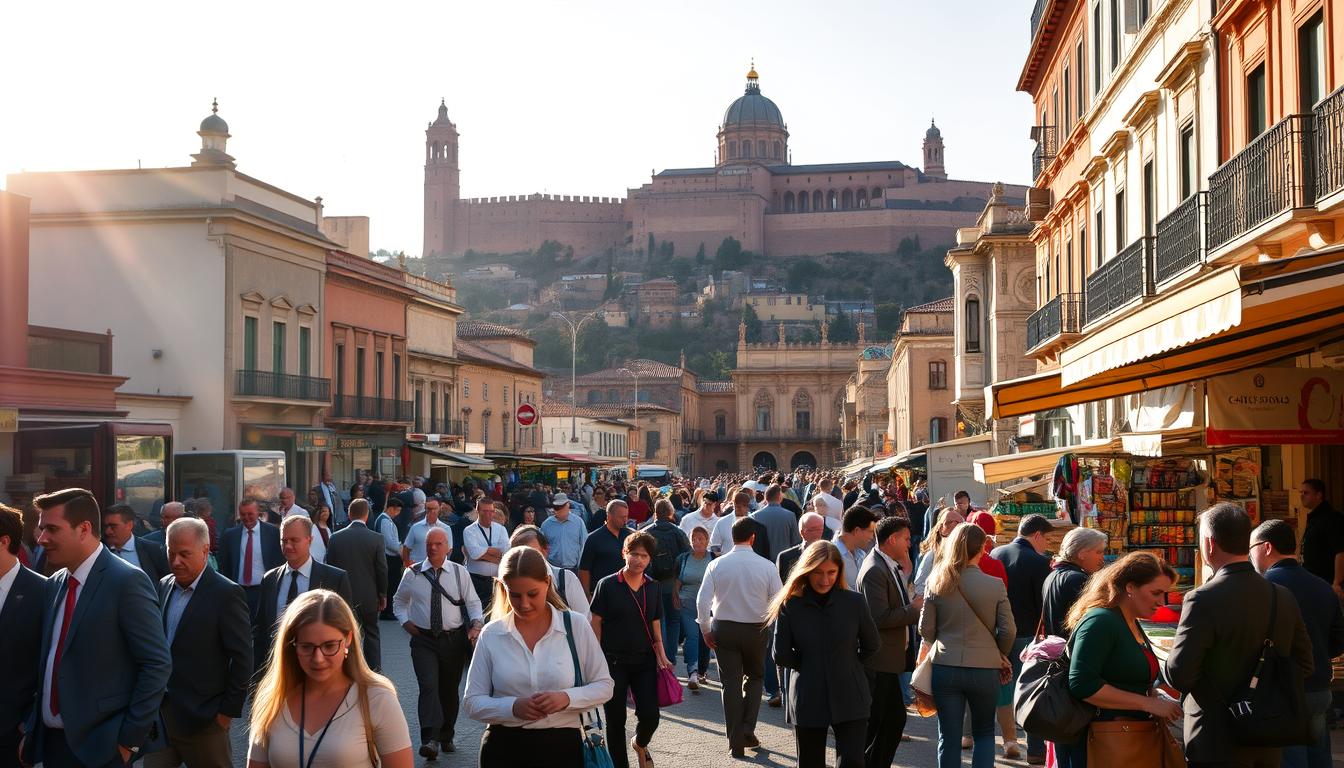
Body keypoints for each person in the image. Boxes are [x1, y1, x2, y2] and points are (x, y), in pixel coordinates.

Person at [21, 488, 171, 768]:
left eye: (52, 529)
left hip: (102, 748)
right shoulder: (54, 582)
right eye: (41, 529)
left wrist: (128, 741)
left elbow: (156, 664)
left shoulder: (126, 581)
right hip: (53, 745)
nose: (41, 539)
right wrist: (32, 727)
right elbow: (50, 660)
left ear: (84, 529)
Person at [1166, 503, 1314, 768]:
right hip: (1266, 734)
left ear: (1210, 544)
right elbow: (1304, 664)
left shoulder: (1202, 598)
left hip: (1215, 734)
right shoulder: (1281, 596)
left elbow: (1180, 673)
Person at [463, 546, 615, 767]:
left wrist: (566, 698)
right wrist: (512, 707)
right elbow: (472, 702)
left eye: (532, 594)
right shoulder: (492, 633)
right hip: (503, 748)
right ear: (503, 589)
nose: (524, 604)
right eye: (514, 595)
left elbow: (604, 685)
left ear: (547, 582)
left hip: (562, 748)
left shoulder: (575, 625)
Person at [245, 590, 413, 768]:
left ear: (348, 639)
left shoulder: (377, 698)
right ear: (292, 646)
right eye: (307, 647)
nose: (318, 658)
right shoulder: (272, 698)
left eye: (329, 646)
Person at [1057, 551, 1183, 768]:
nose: (1161, 602)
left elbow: (1124, 677)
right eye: (1156, 593)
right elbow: (1082, 684)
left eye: (1165, 594)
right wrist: (1147, 703)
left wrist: (1156, 695)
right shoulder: (1101, 621)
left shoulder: (1128, 621)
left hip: (1125, 738)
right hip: (1103, 739)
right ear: (1130, 587)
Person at [147, 518, 252, 768]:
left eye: (184, 554)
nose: (175, 561)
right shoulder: (165, 585)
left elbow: (242, 658)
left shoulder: (226, 594)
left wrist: (226, 713)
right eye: (171, 553)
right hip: (162, 715)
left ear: (205, 551)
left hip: (204, 720)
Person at [770, 540, 879, 768]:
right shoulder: (790, 604)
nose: (824, 579)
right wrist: (810, 664)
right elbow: (780, 653)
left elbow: (872, 645)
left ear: (839, 571)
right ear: (806, 570)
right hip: (808, 693)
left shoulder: (855, 602)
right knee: (810, 762)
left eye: (831, 572)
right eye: (818, 572)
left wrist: (850, 665)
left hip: (851, 693)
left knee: (852, 761)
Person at [918, 522, 1014, 768]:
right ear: (982, 549)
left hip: (945, 665)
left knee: (948, 737)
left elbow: (925, 629)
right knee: (983, 733)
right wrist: (999, 652)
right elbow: (1008, 630)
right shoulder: (994, 585)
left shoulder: (936, 582)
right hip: (984, 667)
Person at [1249, 519, 1344, 768]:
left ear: (1266, 547)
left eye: (1251, 548)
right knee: (1319, 758)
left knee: (1291, 761)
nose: (1249, 556)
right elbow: (1338, 641)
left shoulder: (1263, 587)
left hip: (1281, 691)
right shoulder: (1324, 587)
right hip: (1319, 689)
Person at [697, 517, 784, 759]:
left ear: (731, 537)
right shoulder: (766, 565)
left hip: (724, 626)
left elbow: (702, 601)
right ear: (753, 538)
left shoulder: (717, 564)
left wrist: (705, 628)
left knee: (730, 683)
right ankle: (747, 728)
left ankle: (735, 739)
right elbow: (778, 601)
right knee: (755, 677)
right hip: (756, 627)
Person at [393, 527, 483, 758]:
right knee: (429, 686)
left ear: (448, 549)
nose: (432, 548)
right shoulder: (412, 573)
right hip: (423, 640)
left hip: (453, 640)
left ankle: (446, 734)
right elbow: (399, 602)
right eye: (429, 544)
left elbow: (473, 602)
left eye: (438, 544)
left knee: (448, 690)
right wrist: (405, 623)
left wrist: (476, 624)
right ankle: (430, 739)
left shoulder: (458, 573)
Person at [589, 531, 672, 768]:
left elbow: (655, 621)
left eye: (644, 556)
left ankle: (639, 742)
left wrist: (662, 654)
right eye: (634, 554)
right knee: (615, 720)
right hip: (612, 662)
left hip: (644, 661)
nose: (638, 560)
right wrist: (595, 657)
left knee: (650, 716)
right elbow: (596, 622)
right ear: (624, 553)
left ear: (649, 560)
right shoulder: (607, 584)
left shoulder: (653, 587)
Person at [857, 516, 922, 767]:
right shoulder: (875, 569)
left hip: (888, 661)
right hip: (878, 661)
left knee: (893, 720)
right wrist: (915, 608)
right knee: (879, 723)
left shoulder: (886, 564)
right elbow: (879, 617)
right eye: (906, 539)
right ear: (892, 539)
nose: (909, 544)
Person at [253, 516, 355, 676]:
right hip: (278, 672)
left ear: (309, 540)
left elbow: (347, 629)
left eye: (294, 540)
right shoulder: (270, 579)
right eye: (284, 540)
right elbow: (261, 631)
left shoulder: (334, 579)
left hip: (320, 670)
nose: (287, 546)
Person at [989, 512, 1053, 763]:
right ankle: (1036, 750)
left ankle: (1009, 741)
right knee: (1031, 692)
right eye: (1046, 538)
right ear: (1036, 535)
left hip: (998, 633)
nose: (1046, 544)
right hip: (1028, 635)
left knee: (1005, 691)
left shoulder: (996, 554)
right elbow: (1043, 606)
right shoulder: (1039, 562)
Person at [0, 503, 45, 768]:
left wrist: (28, 723)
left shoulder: (43, 592)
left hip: (13, 737)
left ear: (4, 541)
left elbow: (51, 662)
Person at [324, 498, 389, 671]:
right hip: (369, 596)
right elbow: (382, 570)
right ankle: (375, 670)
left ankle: (349, 669)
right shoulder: (376, 539)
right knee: (372, 633)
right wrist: (382, 594)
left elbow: (329, 568)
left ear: (349, 514)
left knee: (345, 633)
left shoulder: (335, 538)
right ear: (367, 515)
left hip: (342, 597)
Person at [640, 499, 692, 657]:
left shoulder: (645, 532)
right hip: (674, 583)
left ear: (655, 513)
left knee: (658, 621)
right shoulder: (678, 532)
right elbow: (687, 557)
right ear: (670, 513)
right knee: (674, 621)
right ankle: (671, 658)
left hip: (652, 583)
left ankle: (661, 658)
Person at [220, 500, 285, 619]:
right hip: (238, 590)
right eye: (243, 514)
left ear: (257, 513)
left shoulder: (273, 533)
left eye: (250, 514)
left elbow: (279, 561)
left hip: (263, 590)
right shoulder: (230, 535)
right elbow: (225, 564)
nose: (246, 517)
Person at [1041, 527, 1108, 637]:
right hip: (1070, 648)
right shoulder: (1077, 579)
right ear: (1082, 554)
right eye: (1098, 552)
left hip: (1057, 647)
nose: (1102, 557)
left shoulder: (1053, 575)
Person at [511, 525, 591, 616]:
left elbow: (585, 618)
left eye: (532, 553)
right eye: (517, 555)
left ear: (545, 550)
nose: (524, 560)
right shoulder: (507, 585)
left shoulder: (566, 579)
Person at [673, 526, 714, 690]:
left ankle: (702, 670)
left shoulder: (713, 558)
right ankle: (693, 672)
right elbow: (677, 580)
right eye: (694, 539)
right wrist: (675, 596)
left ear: (707, 541)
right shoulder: (683, 559)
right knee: (692, 637)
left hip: (708, 607)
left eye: (700, 539)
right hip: (687, 604)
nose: (697, 542)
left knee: (705, 639)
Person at [103, 502, 171, 584]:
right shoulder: (100, 550)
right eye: (106, 526)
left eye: (113, 526)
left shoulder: (153, 550)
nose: (108, 531)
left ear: (129, 525)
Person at [1298, 478, 1344, 597]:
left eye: (1306, 493)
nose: (1302, 496)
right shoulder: (1314, 518)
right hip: (1312, 581)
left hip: (1326, 583)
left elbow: (1340, 551)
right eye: (1301, 493)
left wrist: (1337, 582)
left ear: (1319, 495)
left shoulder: (1331, 518)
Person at [463, 498, 511, 610]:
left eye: (491, 511)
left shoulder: (501, 529)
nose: (488, 514)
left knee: (498, 610)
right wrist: (495, 555)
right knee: (477, 611)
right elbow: (474, 554)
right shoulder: (469, 530)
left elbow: (506, 552)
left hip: (497, 579)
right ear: (477, 511)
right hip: (477, 580)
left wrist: (483, 551)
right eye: (485, 511)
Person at [579, 499, 632, 594]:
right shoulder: (594, 538)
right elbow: (584, 570)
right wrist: (587, 595)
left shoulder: (630, 535)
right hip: (603, 593)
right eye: (621, 517)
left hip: (627, 591)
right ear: (609, 516)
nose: (625, 520)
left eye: (626, 516)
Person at [913, 507, 966, 596]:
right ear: (941, 529)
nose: (958, 527)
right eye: (952, 523)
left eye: (962, 524)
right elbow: (920, 588)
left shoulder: (966, 552)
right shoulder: (932, 555)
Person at [711, 490, 772, 559]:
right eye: (737, 505)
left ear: (748, 506)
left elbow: (763, 550)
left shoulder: (757, 525)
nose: (741, 508)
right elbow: (714, 545)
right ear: (733, 504)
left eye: (744, 505)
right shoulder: (722, 523)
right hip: (728, 565)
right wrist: (721, 561)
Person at [372, 495, 405, 620]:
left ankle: (388, 610)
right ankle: (387, 611)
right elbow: (389, 542)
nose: (397, 514)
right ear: (391, 508)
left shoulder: (384, 520)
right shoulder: (384, 521)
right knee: (391, 585)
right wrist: (400, 548)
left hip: (390, 557)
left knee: (391, 585)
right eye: (397, 511)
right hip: (389, 558)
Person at [750, 484, 802, 561]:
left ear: (765, 498)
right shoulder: (790, 515)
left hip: (761, 559)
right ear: (780, 497)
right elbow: (796, 540)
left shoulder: (754, 516)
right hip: (784, 559)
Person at [539, 492, 587, 574]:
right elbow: (542, 546)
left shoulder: (578, 522)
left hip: (573, 568)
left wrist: (581, 566)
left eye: (561, 506)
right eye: (556, 507)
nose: (558, 510)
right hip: (553, 568)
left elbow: (584, 544)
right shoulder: (546, 525)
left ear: (568, 505)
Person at [833, 506, 879, 590]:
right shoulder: (832, 556)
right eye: (871, 532)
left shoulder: (861, 554)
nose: (872, 537)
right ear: (857, 531)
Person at [401, 497, 451, 568]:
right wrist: (407, 563)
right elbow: (406, 547)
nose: (432, 511)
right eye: (429, 509)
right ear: (425, 509)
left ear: (440, 508)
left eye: (435, 508)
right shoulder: (415, 527)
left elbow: (449, 550)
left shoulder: (446, 528)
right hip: (417, 568)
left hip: (436, 568)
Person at [777, 511, 827, 582]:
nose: (817, 534)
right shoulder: (786, 557)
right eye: (812, 530)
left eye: (820, 530)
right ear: (802, 532)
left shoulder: (828, 554)